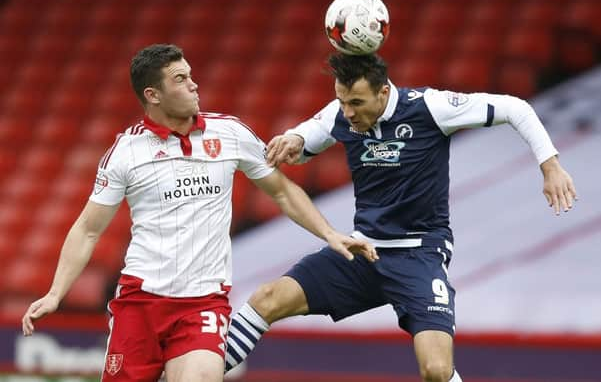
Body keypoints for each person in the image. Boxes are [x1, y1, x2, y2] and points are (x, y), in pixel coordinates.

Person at [21, 44, 377, 382]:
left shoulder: (229, 133)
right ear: (153, 95)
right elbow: (87, 230)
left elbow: (282, 192)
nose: (193, 84)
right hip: (140, 304)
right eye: (179, 79)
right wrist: (55, 293)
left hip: (203, 303)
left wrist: (329, 233)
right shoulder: (126, 153)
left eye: (190, 75)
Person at [224, 53, 578, 382]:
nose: (347, 112)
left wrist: (550, 166)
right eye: (342, 101)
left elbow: (514, 107)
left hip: (419, 255)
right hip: (362, 252)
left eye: (356, 103)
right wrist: (293, 140)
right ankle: (196, 373)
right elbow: (304, 142)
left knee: (436, 370)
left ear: (383, 92)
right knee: (266, 299)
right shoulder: (341, 113)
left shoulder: (430, 107)